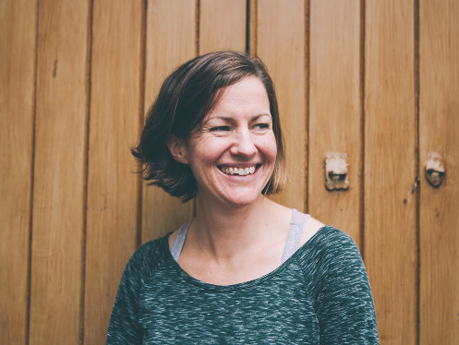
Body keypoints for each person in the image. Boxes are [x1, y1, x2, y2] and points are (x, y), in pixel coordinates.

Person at [107, 50, 379, 344]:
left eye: (260, 125)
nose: (246, 147)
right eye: (222, 127)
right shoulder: (147, 270)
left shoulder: (327, 258)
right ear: (179, 147)